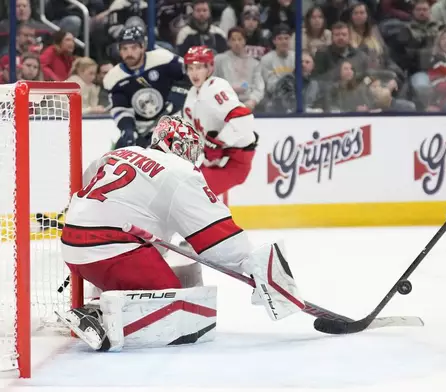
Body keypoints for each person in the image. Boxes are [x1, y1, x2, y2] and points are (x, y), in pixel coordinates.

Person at [58, 116, 303, 352]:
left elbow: (88, 185)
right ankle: (98, 315)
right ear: (177, 146)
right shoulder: (179, 171)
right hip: (113, 252)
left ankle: (103, 303)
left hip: (71, 246)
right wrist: (251, 265)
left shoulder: (119, 153)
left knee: (160, 278)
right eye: (191, 149)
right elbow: (218, 236)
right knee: (175, 307)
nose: (193, 157)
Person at [183, 46, 258, 195]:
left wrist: (218, 143)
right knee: (184, 186)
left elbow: (243, 118)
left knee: (195, 193)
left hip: (236, 161)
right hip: (213, 159)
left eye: (198, 68)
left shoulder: (216, 87)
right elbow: (192, 133)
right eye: (190, 68)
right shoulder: (192, 94)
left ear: (210, 67)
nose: (194, 73)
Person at [103, 26, 188, 149]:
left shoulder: (164, 59)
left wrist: (179, 93)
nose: (129, 53)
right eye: (124, 49)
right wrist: (128, 129)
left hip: (173, 124)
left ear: (143, 46)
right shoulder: (114, 77)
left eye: (134, 47)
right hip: (142, 130)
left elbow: (189, 74)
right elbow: (121, 108)